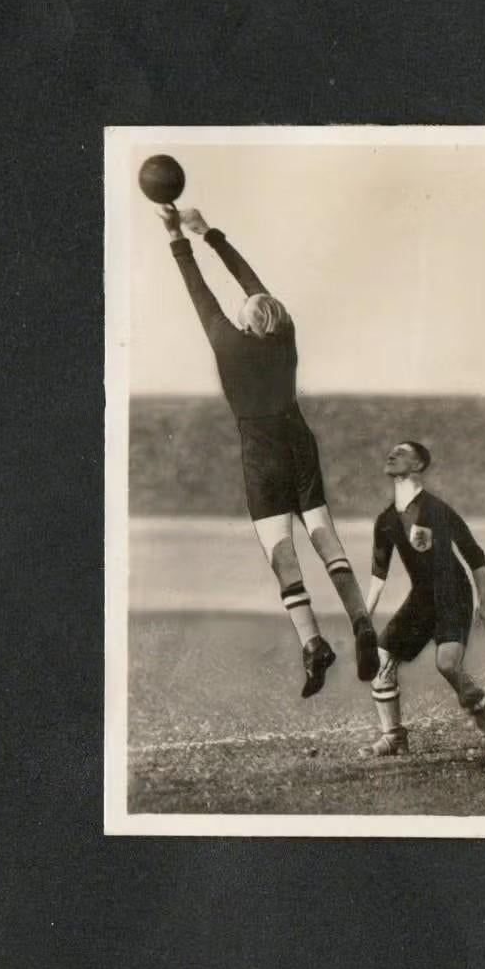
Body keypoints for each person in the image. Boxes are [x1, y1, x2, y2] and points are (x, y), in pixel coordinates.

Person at [155, 205, 379, 697]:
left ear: (245, 322)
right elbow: (251, 282)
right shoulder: (286, 338)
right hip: (298, 441)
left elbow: (201, 293)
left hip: (260, 453)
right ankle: (361, 621)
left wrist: (177, 239)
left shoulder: (227, 345)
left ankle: (313, 643)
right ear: (275, 317)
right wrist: (210, 233)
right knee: (326, 540)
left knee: (282, 553)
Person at [361, 441, 485, 756]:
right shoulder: (385, 521)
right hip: (422, 599)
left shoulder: (436, 509)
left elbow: (474, 554)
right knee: (383, 658)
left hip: (453, 592)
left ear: (418, 466)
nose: (392, 453)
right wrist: (362, 619)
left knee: (447, 665)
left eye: (402, 451)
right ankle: (394, 736)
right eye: (391, 450)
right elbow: (378, 575)